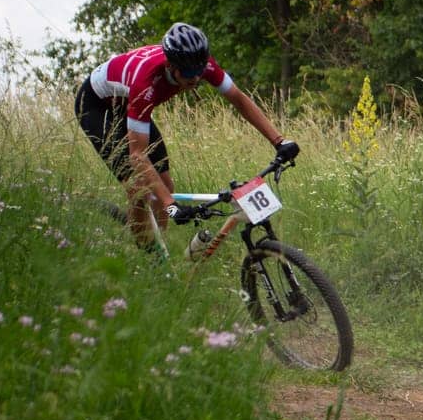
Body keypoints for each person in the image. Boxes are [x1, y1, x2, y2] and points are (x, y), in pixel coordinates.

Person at [76, 22, 297, 252]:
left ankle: (158, 251)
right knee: (139, 187)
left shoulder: (201, 65)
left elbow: (238, 99)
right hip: (96, 106)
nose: (195, 78)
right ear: (171, 66)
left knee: (165, 184)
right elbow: (138, 155)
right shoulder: (147, 82)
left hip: (128, 106)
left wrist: (279, 141)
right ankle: (146, 258)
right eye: (189, 73)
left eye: (199, 71)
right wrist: (172, 207)